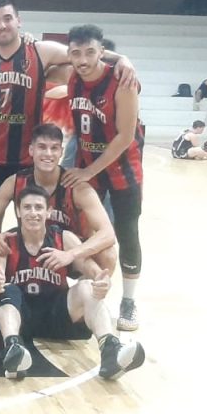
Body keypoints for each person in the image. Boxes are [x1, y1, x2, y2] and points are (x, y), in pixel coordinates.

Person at [0, 0, 135, 206]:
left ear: (19, 21)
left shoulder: (41, 50)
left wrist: (121, 59)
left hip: (29, 155)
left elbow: (82, 52)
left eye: (8, 18)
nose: (2, 25)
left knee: (31, 216)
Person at [0, 186, 145, 380]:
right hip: (21, 318)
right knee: (8, 290)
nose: (33, 213)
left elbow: (95, 273)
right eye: (27, 207)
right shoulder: (7, 241)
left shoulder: (64, 238)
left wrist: (102, 283)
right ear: (18, 211)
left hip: (57, 314)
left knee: (87, 287)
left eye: (38, 207)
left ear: (49, 212)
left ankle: (111, 351)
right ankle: (13, 349)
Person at [63, 24, 145, 331]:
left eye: (90, 52)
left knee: (126, 231)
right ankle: (86, 287)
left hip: (122, 168)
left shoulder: (123, 81)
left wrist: (88, 171)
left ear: (101, 52)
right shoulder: (74, 77)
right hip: (88, 164)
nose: (83, 60)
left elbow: (125, 137)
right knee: (84, 229)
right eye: (76, 53)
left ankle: (129, 300)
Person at [0, 123, 117, 275]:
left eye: (54, 148)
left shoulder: (77, 188)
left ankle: (90, 287)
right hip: (30, 248)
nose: (48, 154)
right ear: (31, 150)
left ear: (61, 152)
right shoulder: (14, 182)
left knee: (108, 254)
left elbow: (108, 234)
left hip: (71, 253)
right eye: (42, 147)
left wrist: (71, 254)